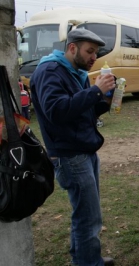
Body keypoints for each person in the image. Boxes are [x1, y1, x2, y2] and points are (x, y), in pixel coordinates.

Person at [29, 28, 116, 266]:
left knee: (86, 214)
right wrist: (95, 90)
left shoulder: (74, 72)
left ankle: (84, 259)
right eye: (89, 51)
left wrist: (105, 99)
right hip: (70, 155)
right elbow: (57, 111)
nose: (93, 58)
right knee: (88, 217)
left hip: (83, 150)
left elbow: (81, 112)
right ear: (72, 47)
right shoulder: (50, 71)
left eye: (96, 53)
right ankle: (88, 263)